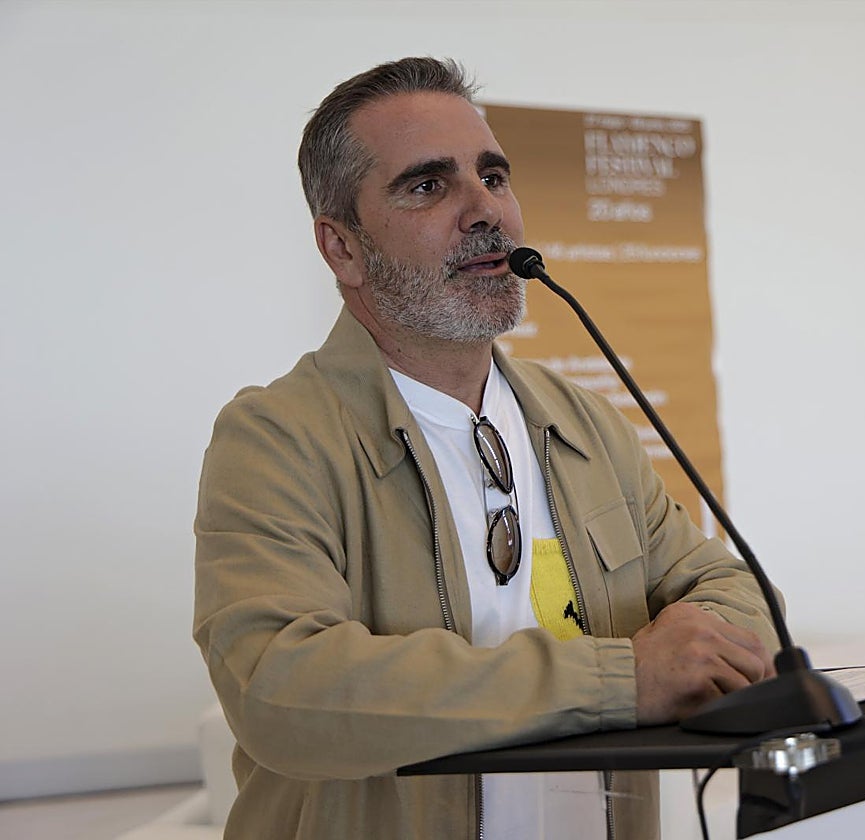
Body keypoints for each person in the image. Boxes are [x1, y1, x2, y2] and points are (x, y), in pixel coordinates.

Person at [193, 57, 777, 840]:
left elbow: (727, 588)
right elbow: (282, 692)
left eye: (494, 177)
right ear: (342, 249)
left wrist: (700, 648)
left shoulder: (585, 420)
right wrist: (622, 681)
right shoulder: (276, 437)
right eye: (429, 185)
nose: (485, 211)